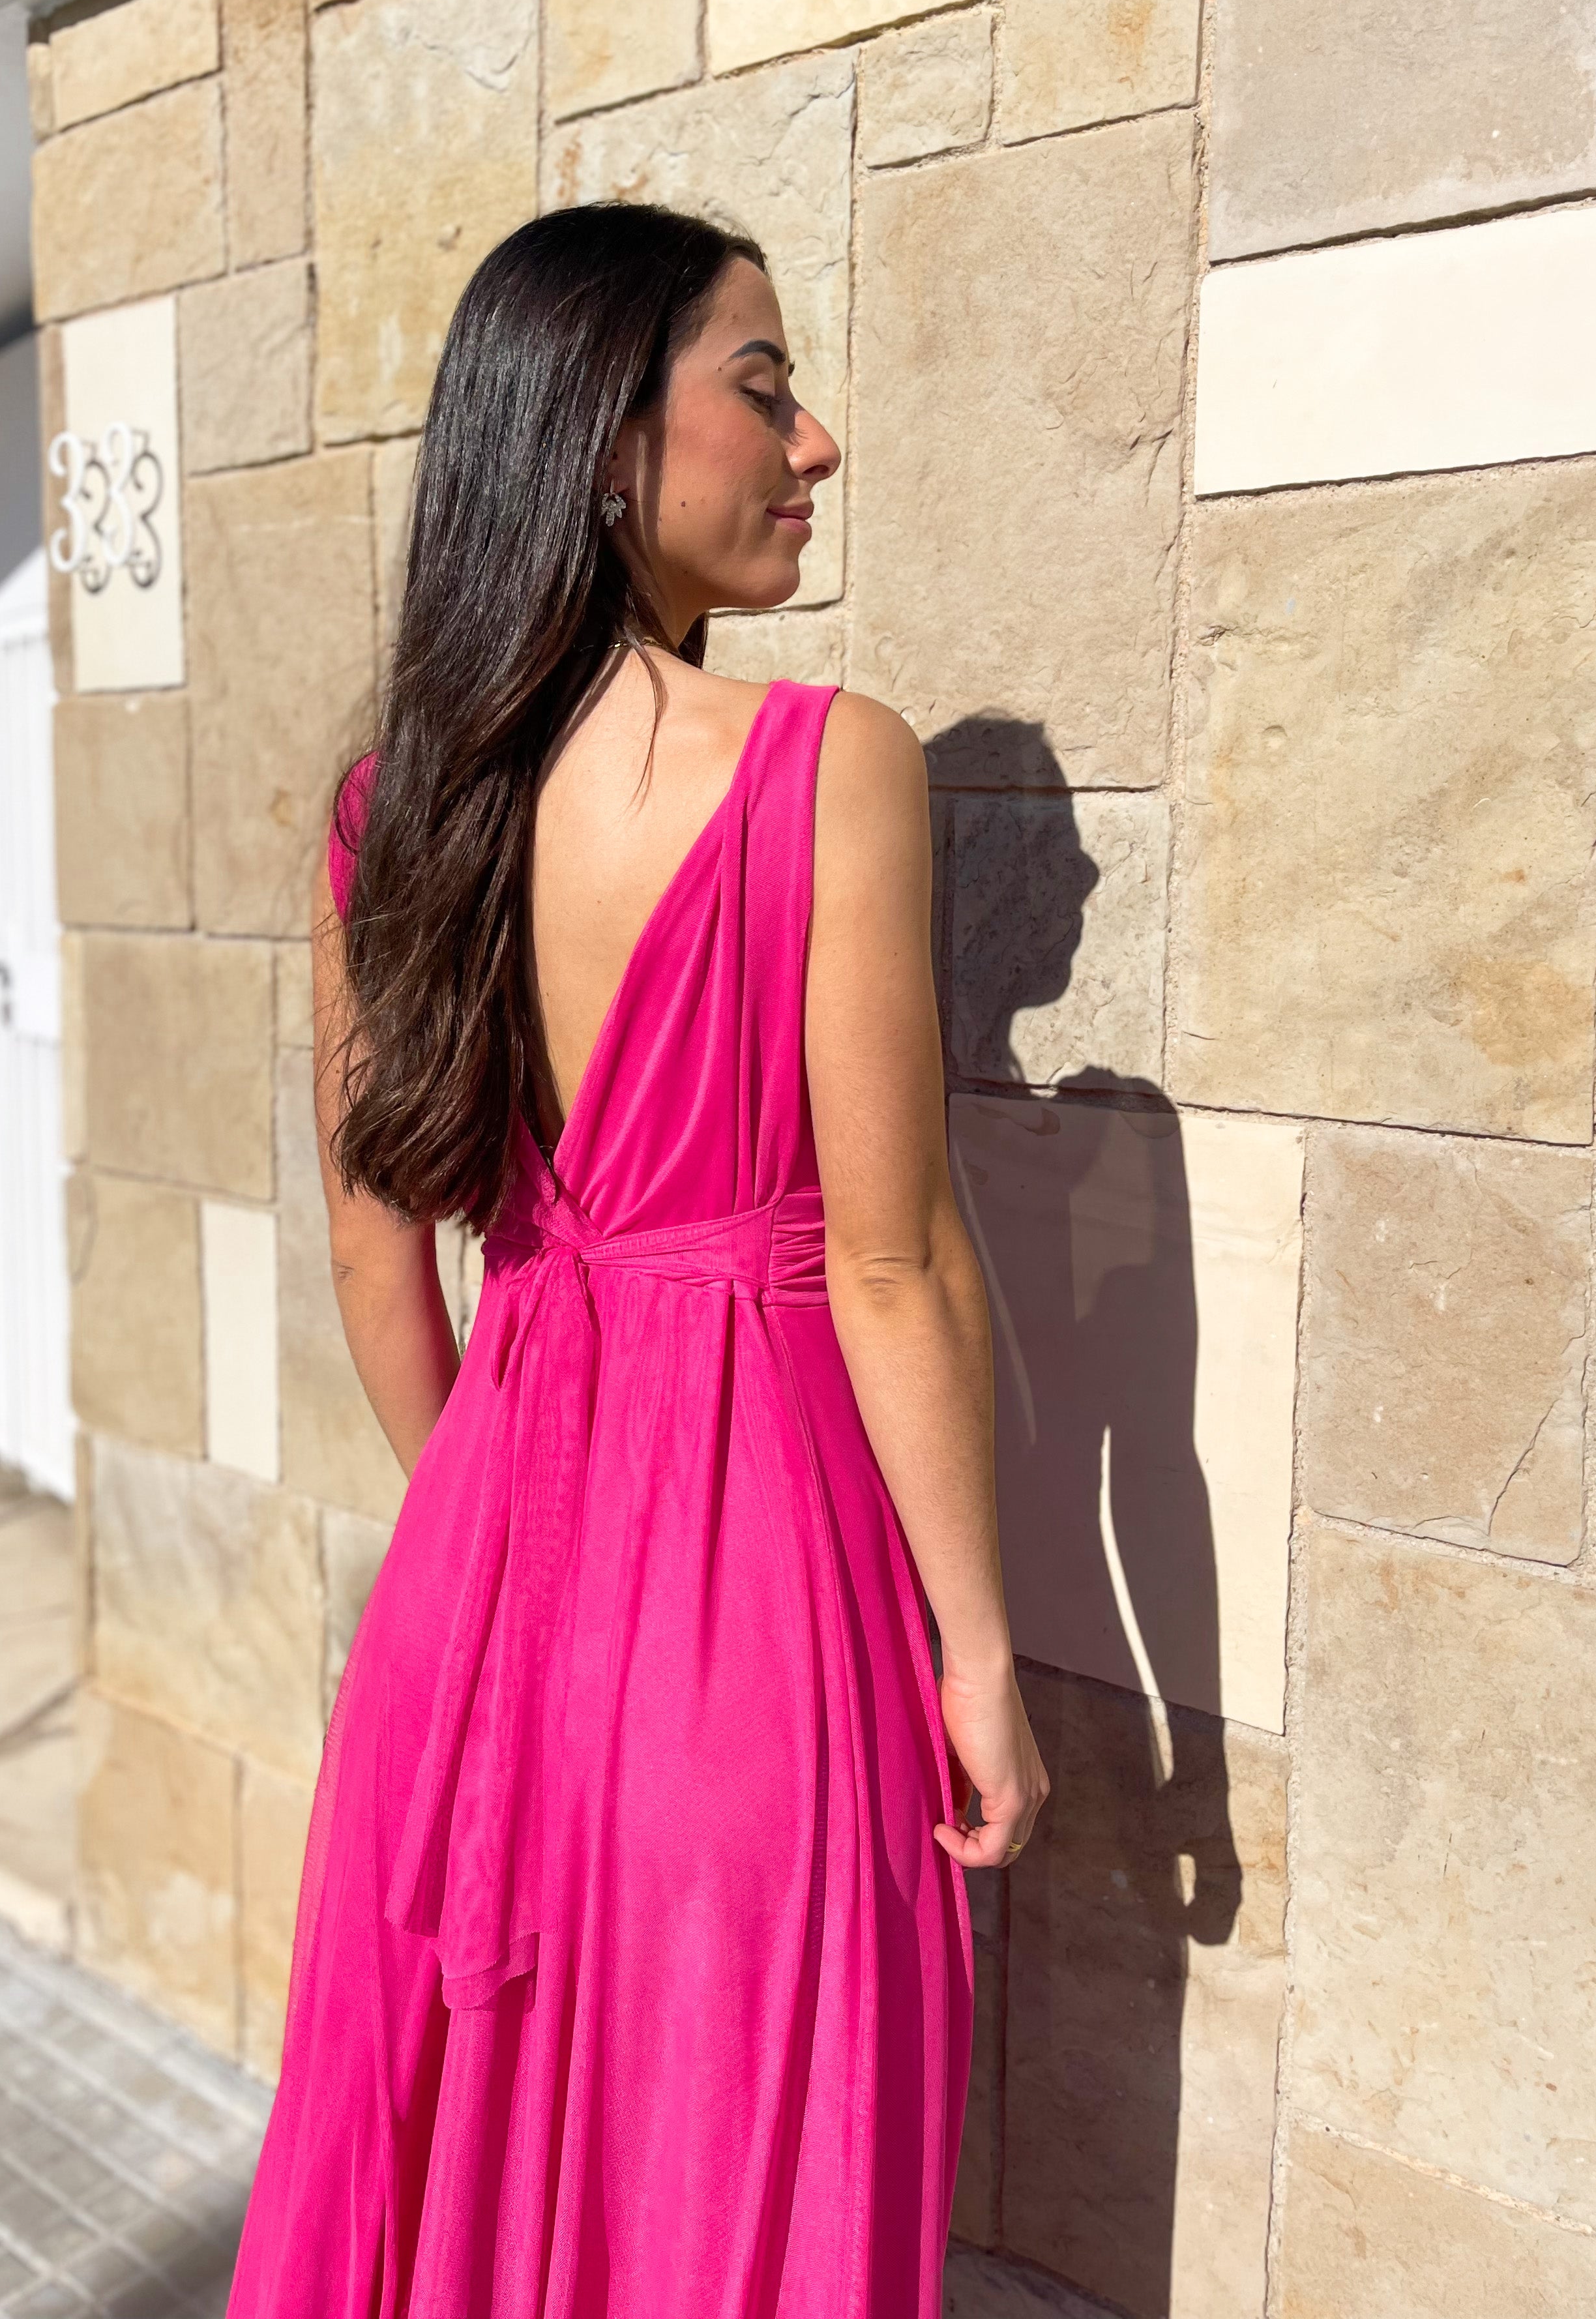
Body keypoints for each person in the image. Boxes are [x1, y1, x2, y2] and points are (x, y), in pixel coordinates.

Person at [227, 201, 1048, 2318]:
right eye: (763, 386)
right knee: (724, 2201)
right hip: (761, 1623)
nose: (816, 443)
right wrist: (975, 1650)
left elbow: (369, 1250)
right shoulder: (821, 768)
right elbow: (893, 1267)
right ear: (607, 433)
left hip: (476, 1613)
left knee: (478, 2207)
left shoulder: (386, 812)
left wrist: (497, 1538)